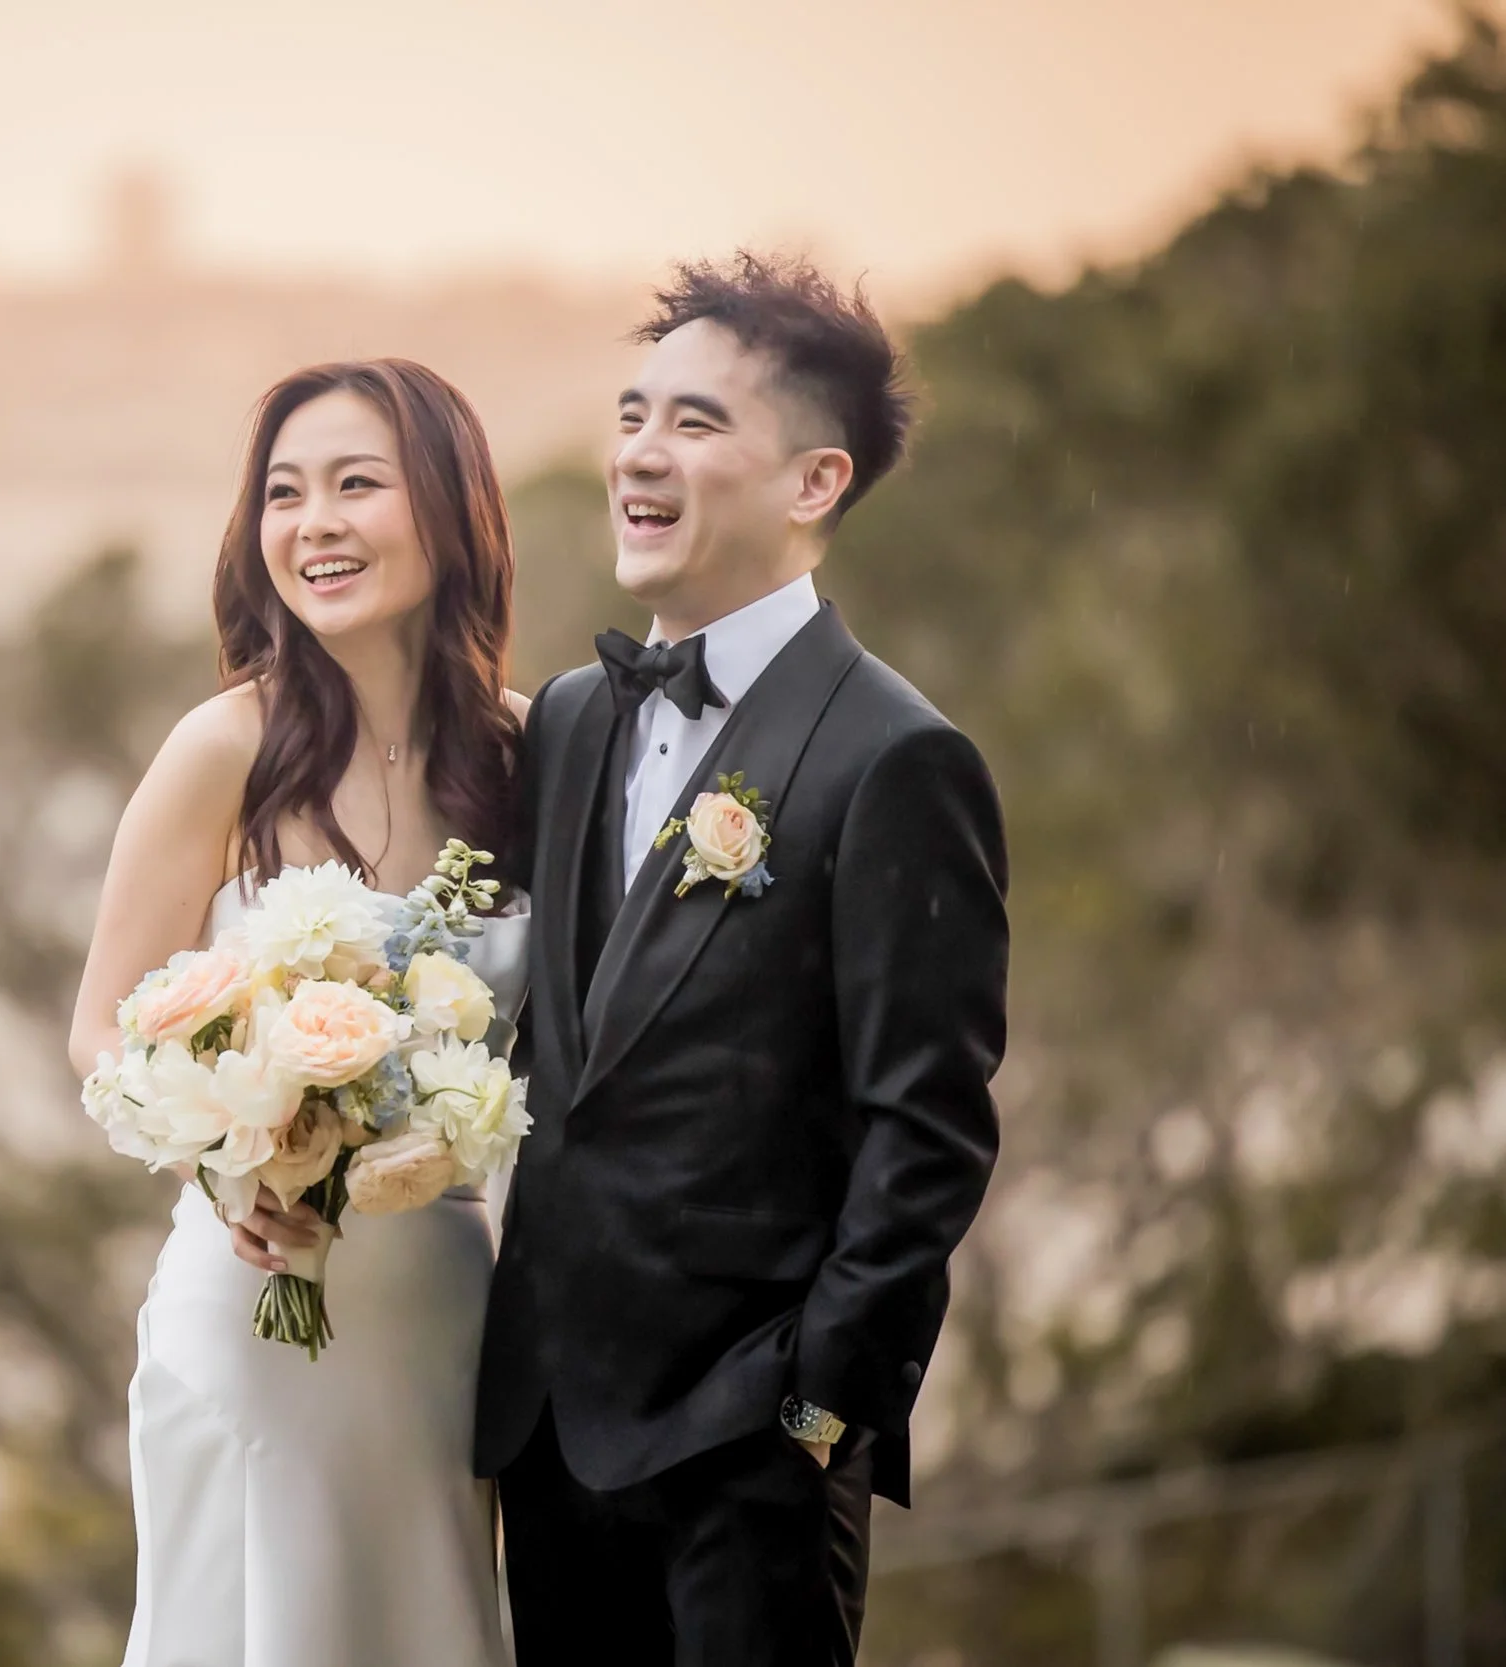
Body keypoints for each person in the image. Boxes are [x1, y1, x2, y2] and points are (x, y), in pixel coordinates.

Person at [477, 253, 1011, 1664]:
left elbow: (929, 1133)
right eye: (633, 414)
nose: (639, 453)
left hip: (751, 1451)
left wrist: (816, 1411)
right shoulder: (570, 717)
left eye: (696, 422)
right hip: (549, 1432)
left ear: (814, 482)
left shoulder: (896, 758)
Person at [68, 359, 528, 1667]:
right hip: (257, 1301)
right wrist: (233, 1161)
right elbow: (102, 1029)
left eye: (355, 484)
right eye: (284, 492)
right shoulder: (225, 749)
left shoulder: (529, 752)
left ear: (449, 509)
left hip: (444, 1321)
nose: (314, 522)